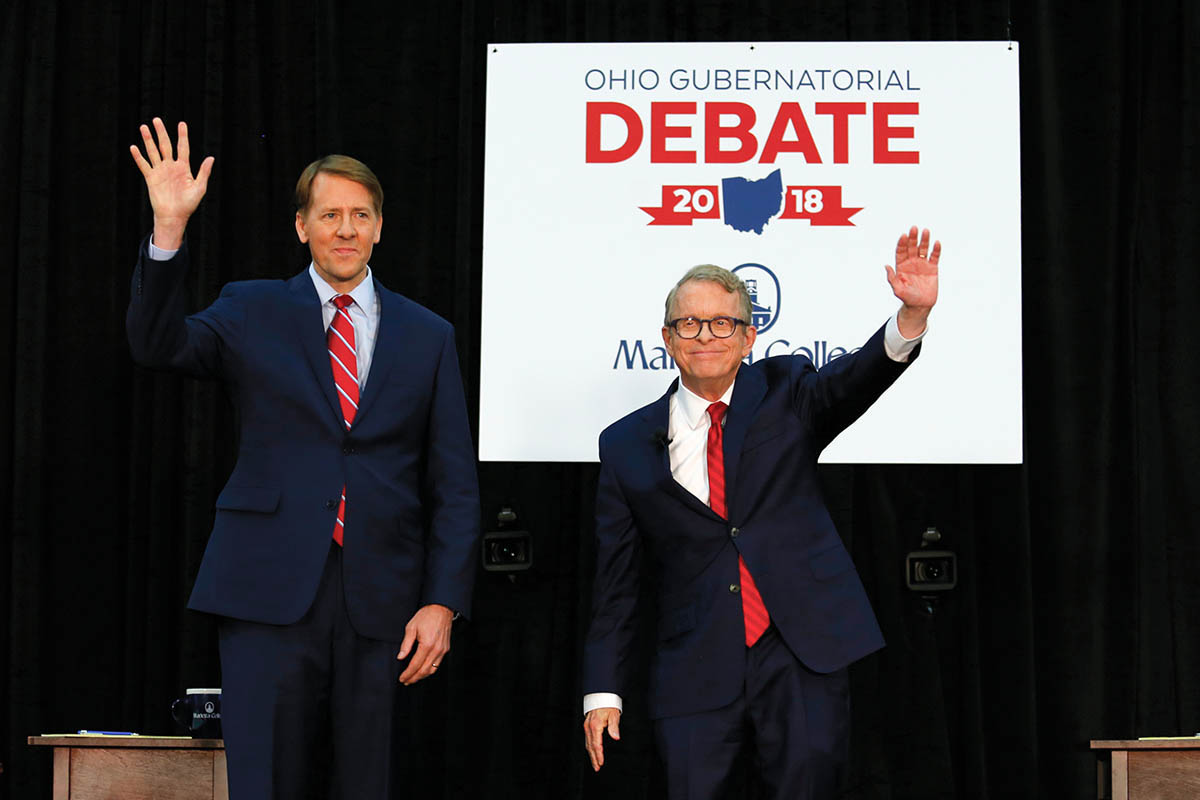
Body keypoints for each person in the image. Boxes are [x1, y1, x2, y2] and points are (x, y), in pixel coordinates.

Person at [126, 118, 480, 799]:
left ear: (379, 227)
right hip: (266, 586)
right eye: (329, 215)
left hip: (383, 600)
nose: (345, 230)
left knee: (367, 782)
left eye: (359, 215)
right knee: (263, 782)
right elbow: (155, 345)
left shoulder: (429, 335)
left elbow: (454, 483)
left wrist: (442, 600)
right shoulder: (252, 308)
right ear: (301, 227)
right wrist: (168, 229)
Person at [582, 229, 941, 799]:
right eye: (689, 324)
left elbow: (854, 380)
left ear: (748, 337)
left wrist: (910, 317)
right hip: (694, 662)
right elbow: (616, 582)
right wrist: (603, 690)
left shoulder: (788, 391)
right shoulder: (624, 443)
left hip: (800, 651)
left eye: (722, 323)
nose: (705, 335)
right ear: (667, 340)